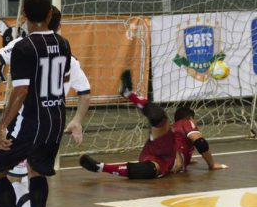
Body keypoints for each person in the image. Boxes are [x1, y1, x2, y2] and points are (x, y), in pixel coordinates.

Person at [0, 5, 90, 207]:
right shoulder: (65, 46)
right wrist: (77, 121)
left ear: (25, 16)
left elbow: (19, 89)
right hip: (55, 121)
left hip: (29, 122)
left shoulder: (22, 46)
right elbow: (84, 92)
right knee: (34, 173)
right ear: (52, 19)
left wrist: (2, 126)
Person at [80, 70, 228, 179]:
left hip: (159, 159)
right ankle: (128, 94)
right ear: (190, 118)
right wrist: (211, 164)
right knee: (159, 117)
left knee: (150, 170)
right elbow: (200, 142)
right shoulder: (185, 122)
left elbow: (187, 147)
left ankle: (99, 167)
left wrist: (188, 160)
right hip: (167, 149)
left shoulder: (181, 139)